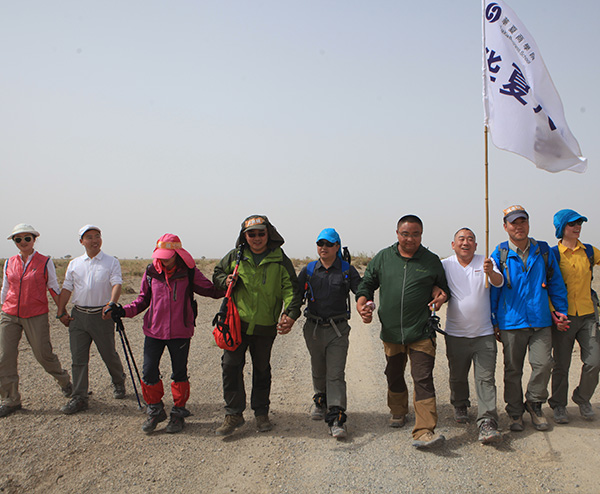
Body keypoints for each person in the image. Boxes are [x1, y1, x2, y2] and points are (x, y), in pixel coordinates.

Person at [108, 234, 224, 434]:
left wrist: (229, 285)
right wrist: (123, 311)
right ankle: (155, 409)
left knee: (179, 373)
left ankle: (178, 412)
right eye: (160, 256)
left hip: (180, 331)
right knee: (148, 372)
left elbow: (211, 291)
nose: (163, 260)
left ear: (177, 254)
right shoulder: (151, 272)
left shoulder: (189, 272)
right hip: (154, 330)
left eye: (167, 256)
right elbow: (142, 300)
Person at [356, 215, 449, 449]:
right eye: (405, 234)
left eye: (415, 234)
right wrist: (361, 300)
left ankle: (425, 430)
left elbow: (443, 288)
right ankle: (398, 411)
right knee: (394, 374)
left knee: (423, 378)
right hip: (391, 332)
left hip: (421, 331)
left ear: (421, 235)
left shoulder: (431, 260)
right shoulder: (383, 258)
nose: (410, 239)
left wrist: (441, 296)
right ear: (397, 233)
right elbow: (367, 283)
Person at [212, 215, 301, 436]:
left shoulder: (280, 259)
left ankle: (261, 413)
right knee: (230, 367)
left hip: (265, 326)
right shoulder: (235, 256)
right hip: (236, 325)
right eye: (251, 234)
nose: (257, 238)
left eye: (261, 233)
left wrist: (290, 314)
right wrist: (226, 281)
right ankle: (233, 414)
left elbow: (291, 288)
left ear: (269, 234)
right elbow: (217, 274)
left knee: (262, 370)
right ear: (245, 236)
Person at [490, 205, 569, 433]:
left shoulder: (543, 251)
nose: (519, 226)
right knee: (512, 370)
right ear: (505, 227)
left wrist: (561, 311)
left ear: (528, 223)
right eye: (513, 223)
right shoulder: (499, 254)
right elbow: (493, 291)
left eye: (522, 221)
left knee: (544, 364)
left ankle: (534, 404)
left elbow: (556, 284)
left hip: (540, 320)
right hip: (511, 322)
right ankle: (515, 412)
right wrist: (494, 321)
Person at [0, 224, 72, 418]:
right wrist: (2, 308)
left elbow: (53, 287)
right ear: (14, 242)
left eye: (27, 238)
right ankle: (10, 399)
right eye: (18, 239)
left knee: (43, 354)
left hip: (35, 314)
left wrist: (62, 311)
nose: (23, 242)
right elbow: (6, 288)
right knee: (5, 356)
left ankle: (65, 382)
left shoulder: (45, 261)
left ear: (34, 240)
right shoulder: (9, 262)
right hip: (9, 313)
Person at [297, 228, 361, 439]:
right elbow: (296, 295)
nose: (323, 247)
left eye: (328, 244)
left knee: (335, 373)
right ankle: (321, 399)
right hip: (313, 328)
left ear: (337, 246)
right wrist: (288, 316)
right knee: (318, 368)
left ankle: (336, 417)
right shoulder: (309, 270)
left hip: (338, 330)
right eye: (320, 243)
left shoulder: (346, 270)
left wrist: (365, 304)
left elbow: (361, 290)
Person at [442, 227, 504, 444]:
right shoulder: (445, 264)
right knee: (458, 375)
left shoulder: (486, 261)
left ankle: (487, 421)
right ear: (453, 244)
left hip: (484, 334)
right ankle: (460, 403)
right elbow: (436, 287)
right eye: (461, 239)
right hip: (455, 334)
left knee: (486, 379)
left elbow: (499, 282)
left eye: (470, 239)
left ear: (476, 245)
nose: (465, 243)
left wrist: (491, 272)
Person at [57, 225, 126, 415]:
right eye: (89, 237)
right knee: (78, 358)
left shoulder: (111, 262)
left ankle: (118, 381)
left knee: (108, 353)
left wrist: (111, 304)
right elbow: (67, 288)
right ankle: (79, 397)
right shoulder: (75, 264)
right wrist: (61, 310)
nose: (94, 240)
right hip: (78, 316)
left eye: (97, 236)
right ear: (81, 241)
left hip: (102, 315)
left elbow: (116, 284)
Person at [548, 209, 600, 423]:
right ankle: (559, 405)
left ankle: (582, 398)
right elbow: (546, 286)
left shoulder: (589, 251)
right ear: (562, 228)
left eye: (579, 223)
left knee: (594, 361)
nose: (577, 227)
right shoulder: (553, 254)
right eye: (572, 224)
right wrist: (554, 313)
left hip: (588, 315)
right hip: (564, 318)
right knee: (561, 364)